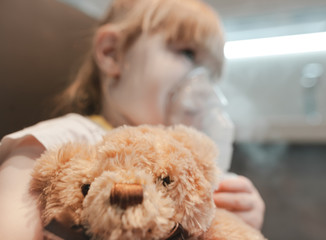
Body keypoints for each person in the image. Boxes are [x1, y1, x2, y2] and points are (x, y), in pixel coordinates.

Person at [0, 0, 265, 239]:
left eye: (211, 72)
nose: (202, 84)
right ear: (112, 54)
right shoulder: (58, 144)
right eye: (187, 53)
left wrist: (238, 217)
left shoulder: (187, 169)